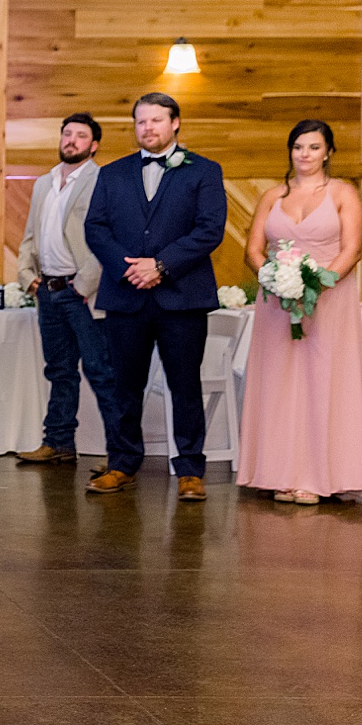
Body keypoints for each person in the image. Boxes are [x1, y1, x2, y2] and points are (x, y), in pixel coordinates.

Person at [83, 92, 227, 501]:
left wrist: (160, 266)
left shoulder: (204, 171)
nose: (148, 128)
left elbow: (209, 230)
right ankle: (122, 463)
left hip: (182, 297)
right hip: (125, 295)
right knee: (124, 385)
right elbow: (96, 228)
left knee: (184, 384)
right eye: (141, 122)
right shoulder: (111, 174)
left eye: (156, 121)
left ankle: (190, 470)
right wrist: (128, 269)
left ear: (175, 123)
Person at [236, 121, 362, 504]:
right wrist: (276, 280)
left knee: (322, 383)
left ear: (328, 152)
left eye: (313, 147)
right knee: (280, 384)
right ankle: (280, 472)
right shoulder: (273, 195)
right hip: (278, 302)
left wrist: (315, 285)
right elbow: (253, 250)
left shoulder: (343, 192)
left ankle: (316, 477)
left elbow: (353, 248)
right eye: (298, 147)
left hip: (328, 301)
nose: (304, 155)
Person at [15, 112, 119, 468]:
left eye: (80, 135)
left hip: (82, 291)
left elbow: (108, 238)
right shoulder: (44, 183)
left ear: (94, 146)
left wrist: (83, 285)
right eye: (67, 134)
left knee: (101, 371)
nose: (71, 140)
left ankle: (119, 454)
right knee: (59, 370)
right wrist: (26, 273)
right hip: (48, 289)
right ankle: (58, 442)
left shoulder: (102, 181)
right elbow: (31, 233)